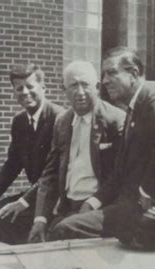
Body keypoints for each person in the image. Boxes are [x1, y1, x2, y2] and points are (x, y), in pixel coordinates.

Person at [44, 47, 155, 251]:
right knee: (63, 224)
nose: (104, 81)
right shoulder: (133, 109)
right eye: (103, 74)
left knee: (64, 229)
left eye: (111, 72)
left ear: (134, 74)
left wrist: (147, 191)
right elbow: (121, 172)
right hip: (131, 208)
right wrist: (93, 202)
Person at [28, 60, 125, 243]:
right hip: (67, 207)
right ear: (64, 90)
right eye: (73, 86)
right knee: (35, 237)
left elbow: (120, 174)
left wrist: (93, 202)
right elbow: (50, 174)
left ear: (96, 87)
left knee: (61, 235)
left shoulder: (115, 120)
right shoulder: (62, 122)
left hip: (99, 207)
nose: (80, 93)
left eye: (85, 85)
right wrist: (40, 219)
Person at [0, 64, 64, 244]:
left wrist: (23, 201)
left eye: (30, 86)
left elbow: (54, 173)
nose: (24, 92)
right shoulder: (19, 121)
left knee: (6, 220)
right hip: (34, 194)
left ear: (43, 88)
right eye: (19, 88)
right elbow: (12, 164)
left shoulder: (59, 118)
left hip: (55, 196)